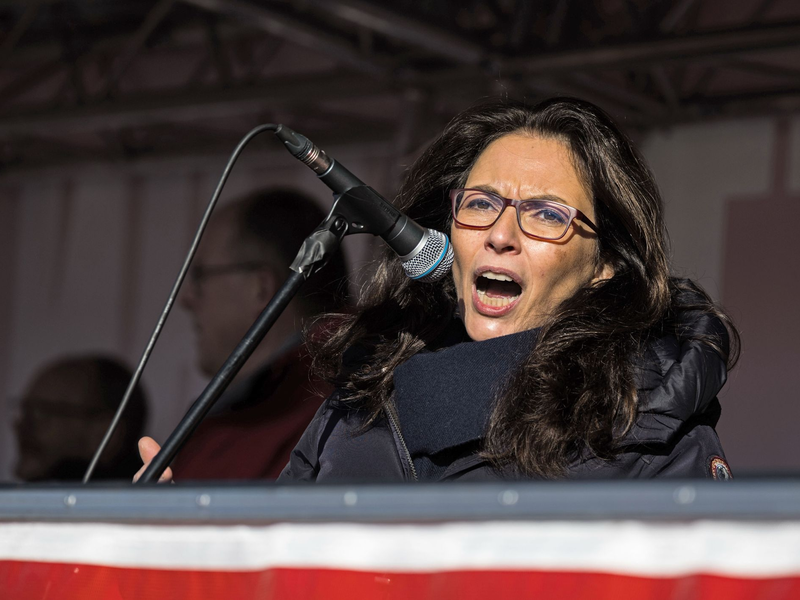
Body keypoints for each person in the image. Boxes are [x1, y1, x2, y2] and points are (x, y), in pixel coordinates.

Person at [139, 97, 738, 483]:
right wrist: (182, 547)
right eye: (479, 204)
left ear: (605, 264)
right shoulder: (363, 398)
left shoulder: (652, 421)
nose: (501, 234)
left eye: (547, 215)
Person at [138, 188, 349, 480]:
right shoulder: (261, 402)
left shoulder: (334, 401)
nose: (186, 298)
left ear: (260, 288)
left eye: (200, 276)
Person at [15, 355, 147, 481]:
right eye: (26, 412)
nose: (21, 427)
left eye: (43, 414)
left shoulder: (131, 499)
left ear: (104, 431)